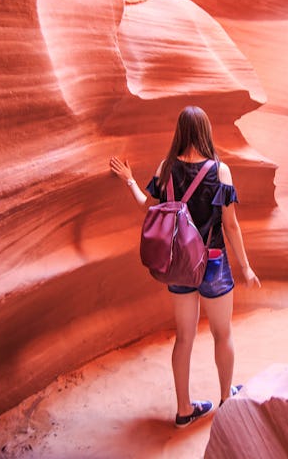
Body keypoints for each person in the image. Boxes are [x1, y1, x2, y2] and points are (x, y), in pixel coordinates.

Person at [109, 105, 261, 428]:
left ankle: (183, 409)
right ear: (206, 131)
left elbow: (147, 209)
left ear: (179, 131)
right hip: (214, 262)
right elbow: (231, 226)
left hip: (179, 264)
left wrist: (130, 181)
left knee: (184, 338)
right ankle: (225, 400)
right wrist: (246, 267)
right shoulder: (220, 171)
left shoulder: (167, 169)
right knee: (223, 334)